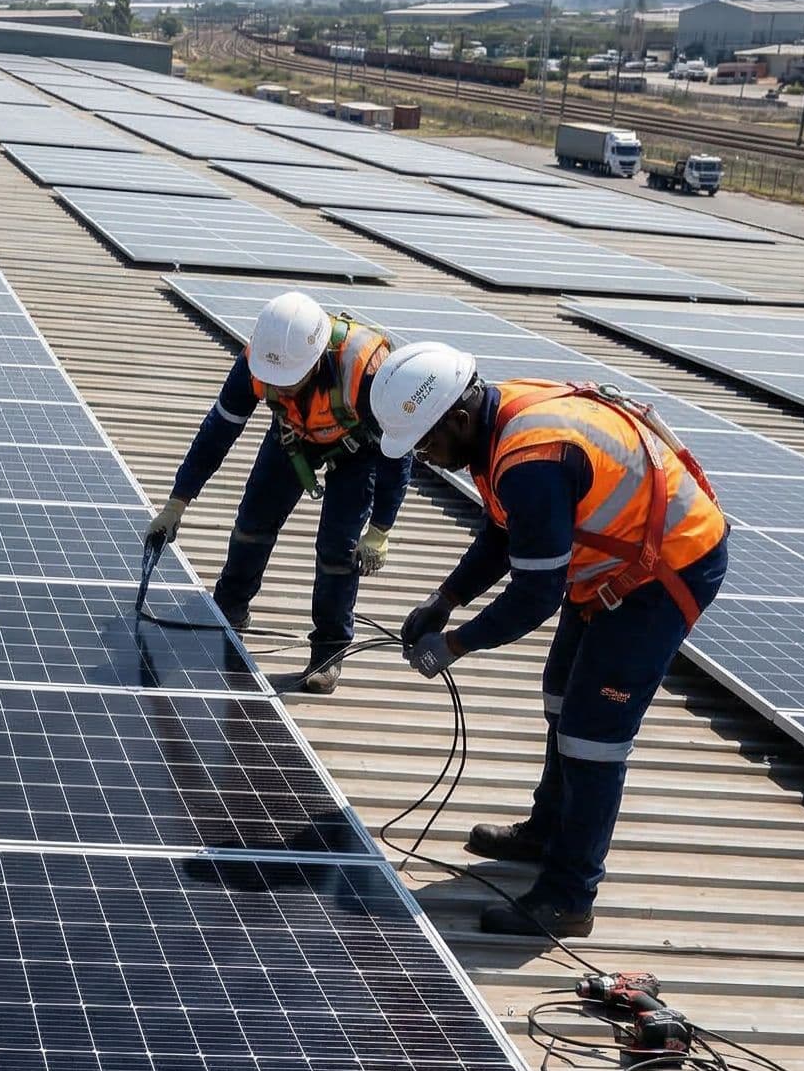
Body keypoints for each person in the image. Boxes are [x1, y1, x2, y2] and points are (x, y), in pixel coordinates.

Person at [370, 344, 730, 939]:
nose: (426, 457)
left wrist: (455, 644)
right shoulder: (495, 423)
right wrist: (445, 599)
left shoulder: (531, 459)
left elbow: (536, 596)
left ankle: (569, 895)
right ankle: (548, 830)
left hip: (667, 570)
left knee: (593, 734)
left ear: (455, 418)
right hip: (613, 567)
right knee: (562, 696)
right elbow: (502, 529)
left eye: (425, 443)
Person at [144, 291, 407, 694]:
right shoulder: (257, 362)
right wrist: (177, 503)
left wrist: (381, 528)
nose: (278, 389)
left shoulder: (366, 369)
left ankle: (329, 650)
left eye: (289, 381)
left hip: (360, 450)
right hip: (293, 436)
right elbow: (218, 431)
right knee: (252, 522)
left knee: (339, 548)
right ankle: (230, 609)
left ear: (318, 357)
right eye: (274, 383)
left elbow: (397, 451)